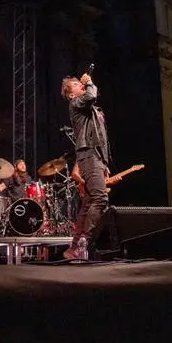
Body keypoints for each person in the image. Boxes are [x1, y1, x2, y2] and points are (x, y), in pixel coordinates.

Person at [61, 72, 110, 261]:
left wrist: (104, 163)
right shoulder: (76, 103)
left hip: (95, 156)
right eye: (75, 84)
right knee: (100, 199)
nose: (79, 84)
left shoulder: (90, 109)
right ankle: (84, 241)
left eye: (79, 82)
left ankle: (73, 248)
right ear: (71, 95)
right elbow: (91, 95)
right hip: (89, 155)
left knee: (89, 203)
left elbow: (103, 139)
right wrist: (89, 82)